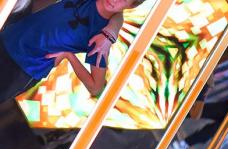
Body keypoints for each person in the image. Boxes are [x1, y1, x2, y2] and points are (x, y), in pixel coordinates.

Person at [0, 0, 143, 101]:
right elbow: (118, 16)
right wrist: (114, 27)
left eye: (123, 0)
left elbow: (96, 87)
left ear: (130, 6)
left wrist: (69, 56)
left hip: (22, 68)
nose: (114, 0)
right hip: (8, 37)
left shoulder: (101, 38)